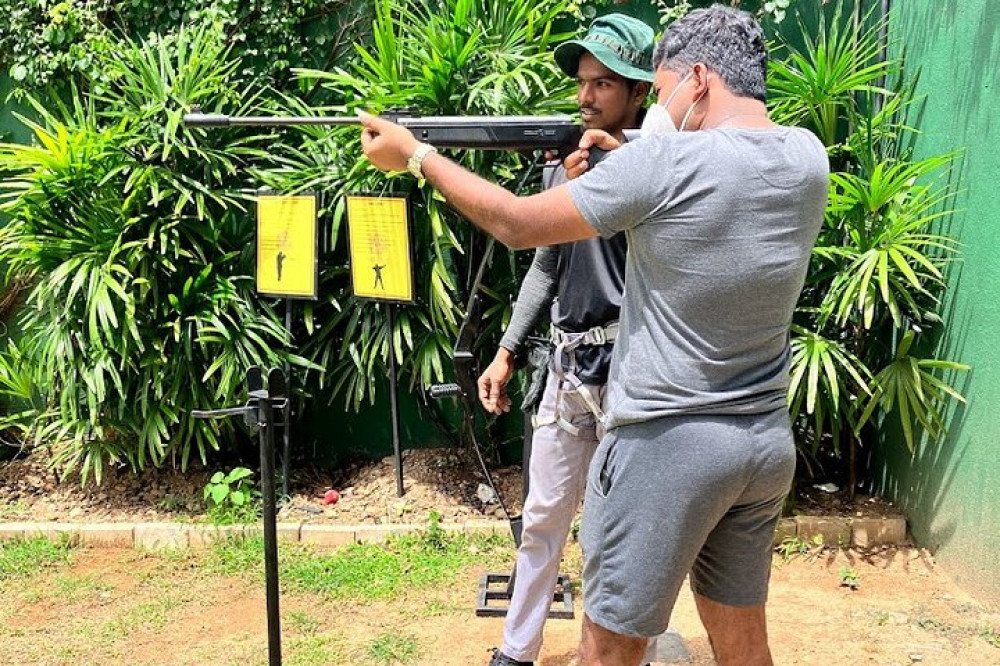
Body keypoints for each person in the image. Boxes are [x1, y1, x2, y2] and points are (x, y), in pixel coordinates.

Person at [358, 5, 830, 666]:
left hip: (666, 446)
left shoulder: (663, 165)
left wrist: (417, 155)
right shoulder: (808, 158)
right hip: (760, 445)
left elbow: (519, 225)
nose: (659, 105)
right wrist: (630, 155)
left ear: (696, 79)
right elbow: (714, 174)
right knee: (742, 639)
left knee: (607, 647)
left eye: (661, 89)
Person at [473, 14, 654, 666]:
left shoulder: (658, 171)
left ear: (639, 93)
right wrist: (506, 349)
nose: (587, 96)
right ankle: (516, 650)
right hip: (565, 364)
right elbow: (545, 264)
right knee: (544, 517)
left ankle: (616, 651)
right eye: (583, 82)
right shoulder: (567, 165)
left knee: (620, 530)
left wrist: (615, 174)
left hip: (630, 374)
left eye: (605, 82)